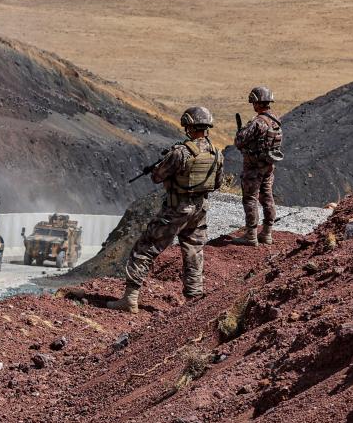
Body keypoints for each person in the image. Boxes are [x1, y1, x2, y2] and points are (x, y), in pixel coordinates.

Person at [107, 106, 223, 313]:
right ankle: (194, 300)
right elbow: (217, 184)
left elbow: (157, 176)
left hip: (177, 207)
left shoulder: (181, 152)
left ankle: (130, 298)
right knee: (194, 250)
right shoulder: (217, 153)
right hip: (200, 208)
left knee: (146, 247)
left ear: (189, 125)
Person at [232, 85, 283, 246]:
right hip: (268, 166)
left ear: (256, 103)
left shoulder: (258, 122)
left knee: (250, 199)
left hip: (253, 168)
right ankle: (267, 234)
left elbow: (239, 142)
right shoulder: (276, 120)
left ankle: (251, 235)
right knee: (267, 197)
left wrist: (240, 133)